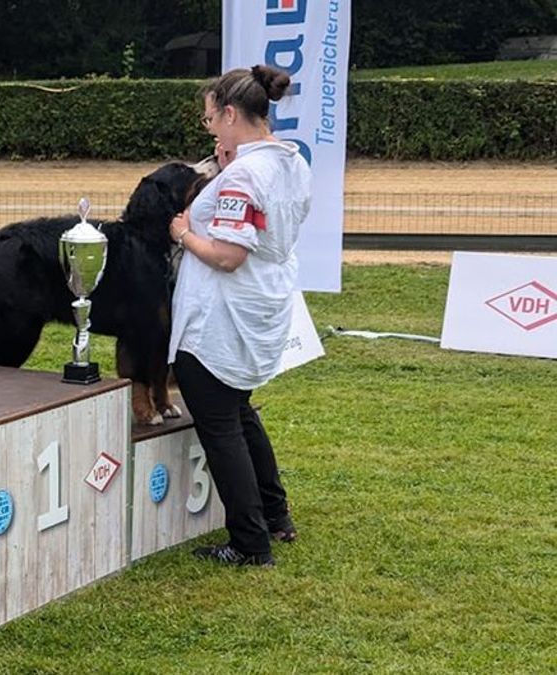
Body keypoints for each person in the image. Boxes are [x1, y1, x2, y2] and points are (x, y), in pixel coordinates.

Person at [167, 65, 312, 567]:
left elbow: (229, 255)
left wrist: (183, 232)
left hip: (221, 320)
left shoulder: (247, 175)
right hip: (262, 306)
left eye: (211, 119)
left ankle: (251, 542)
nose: (209, 131)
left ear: (231, 114)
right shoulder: (292, 161)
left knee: (222, 426)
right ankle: (276, 515)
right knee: (240, 411)